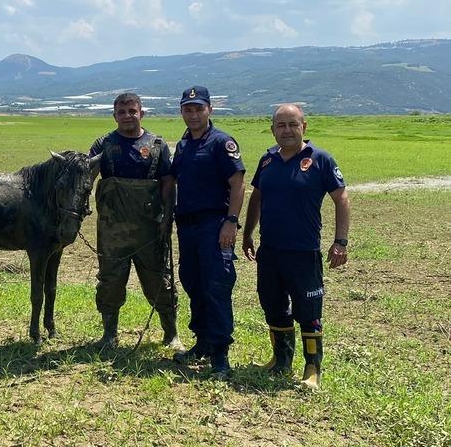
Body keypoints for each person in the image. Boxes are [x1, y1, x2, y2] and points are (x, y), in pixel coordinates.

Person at [242, 103, 350, 390]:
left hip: (304, 252)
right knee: (273, 305)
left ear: (304, 127)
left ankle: (312, 369)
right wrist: (248, 233)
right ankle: (280, 361)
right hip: (271, 251)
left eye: (293, 124)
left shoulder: (320, 159)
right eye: (281, 125)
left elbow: (341, 199)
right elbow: (257, 197)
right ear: (273, 129)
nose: (287, 130)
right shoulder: (267, 160)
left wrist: (340, 242)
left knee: (308, 311)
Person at [88, 93, 184, 352]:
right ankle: (109, 334)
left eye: (132, 110)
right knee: (110, 281)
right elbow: (88, 176)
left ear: (142, 113)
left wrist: (168, 217)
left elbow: (167, 183)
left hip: (150, 229)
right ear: (114, 115)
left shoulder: (156, 145)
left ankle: (171, 333)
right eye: (122, 111)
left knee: (159, 281)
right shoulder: (103, 145)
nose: (127, 115)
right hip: (112, 230)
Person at [164, 86, 245, 378]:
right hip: (187, 227)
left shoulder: (222, 142)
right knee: (193, 284)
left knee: (216, 287)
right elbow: (172, 179)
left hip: (215, 226)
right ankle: (202, 343)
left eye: (199, 108)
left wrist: (231, 221)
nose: (193, 114)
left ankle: (221, 354)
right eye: (188, 109)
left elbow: (238, 184)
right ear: (182, 112)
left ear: (210, 109)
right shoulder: (184, 145)